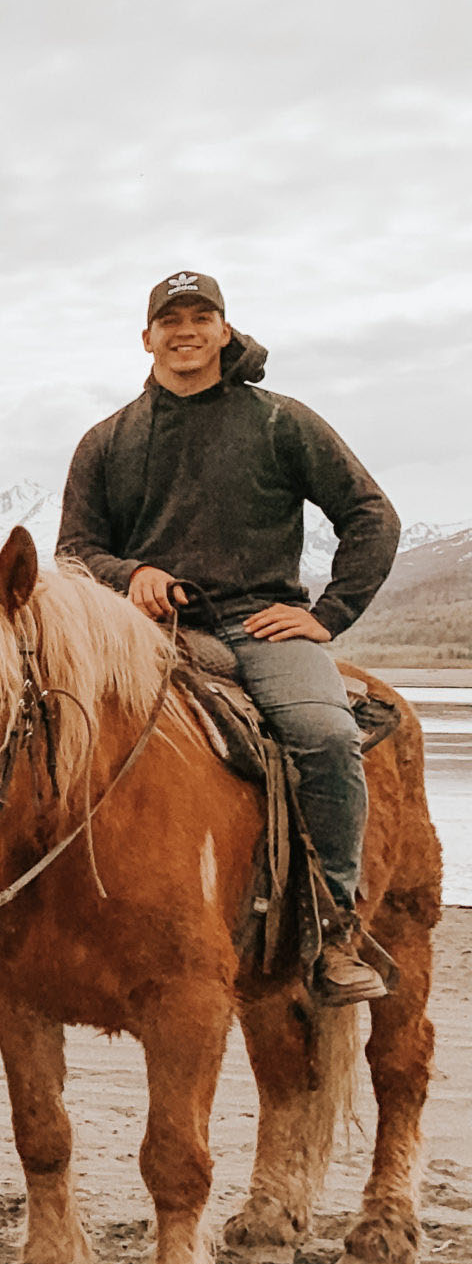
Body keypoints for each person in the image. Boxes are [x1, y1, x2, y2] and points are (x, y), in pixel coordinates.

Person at [59, 269, 398, 1004]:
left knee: (325, 737)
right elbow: (74, 551)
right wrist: (131, 572)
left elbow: (372, 517)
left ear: (224, 330)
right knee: (55, 720)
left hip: (262, 627)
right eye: (170, 319)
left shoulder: (280, 421)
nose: (185, 330)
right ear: (145, 337)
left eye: (201, 316)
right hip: (149, 634)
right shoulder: (107, 440)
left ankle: (334, 931)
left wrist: (328, 615)